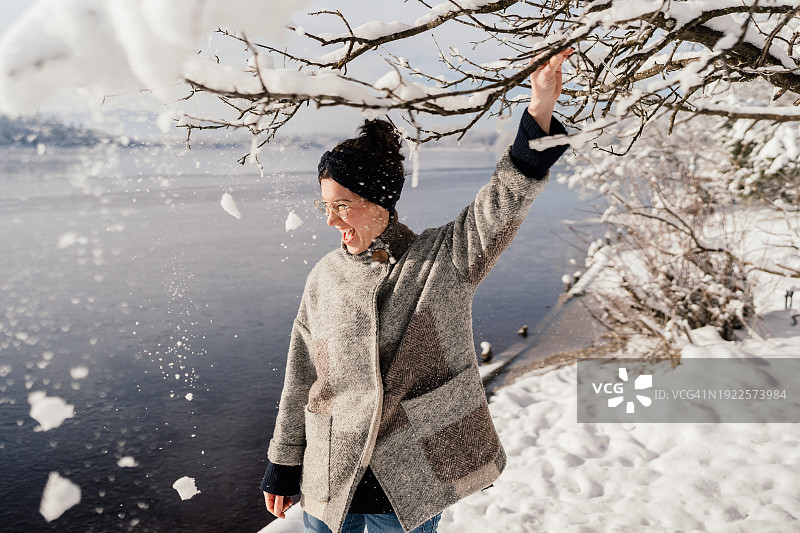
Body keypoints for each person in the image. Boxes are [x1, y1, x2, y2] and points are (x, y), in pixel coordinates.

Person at [261, 50, 573, 533]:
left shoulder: (442, 260)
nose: (330, 220)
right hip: (328, 472)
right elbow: (301, 372)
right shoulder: (324, 276)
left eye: (342, 205)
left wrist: (540, 110)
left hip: (407, 479)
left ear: (379, 202)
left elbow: (504, 200)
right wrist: (283, 462)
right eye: (325, 206)